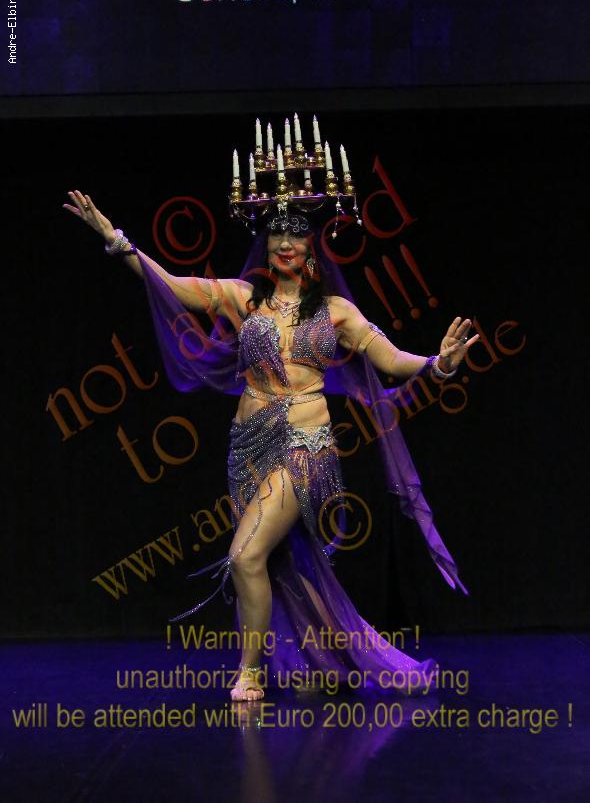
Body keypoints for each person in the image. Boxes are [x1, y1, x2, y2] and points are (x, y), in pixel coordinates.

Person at [63, 188, 479, 702]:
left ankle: (251, 672)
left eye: (296, 235)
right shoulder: (244, 298)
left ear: (311, 248)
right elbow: (172, 286)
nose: (285, 243)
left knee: (245, 556)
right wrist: (116, 239)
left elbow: (391, 360)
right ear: (266, 244)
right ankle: (324, 659)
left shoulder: (337, 312)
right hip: (247, 448)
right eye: (277, 233)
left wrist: (438, 364)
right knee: (282, 564)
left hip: (306, 447)